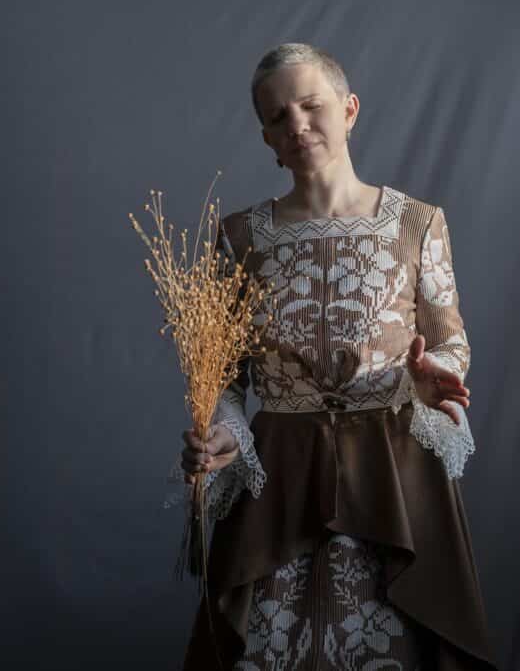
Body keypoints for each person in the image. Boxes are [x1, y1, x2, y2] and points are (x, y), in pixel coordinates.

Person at [172, 42, 498, 670]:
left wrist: (435, 377)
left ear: (349, 110)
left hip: (390, 474)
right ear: (267, 138)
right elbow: (226, 380)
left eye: (310, 105)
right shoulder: (239, 238)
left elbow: (449, 339)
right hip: (281, 478)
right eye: (277, 116)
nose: (296, 124)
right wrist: (222, 434)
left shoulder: (417, 224)